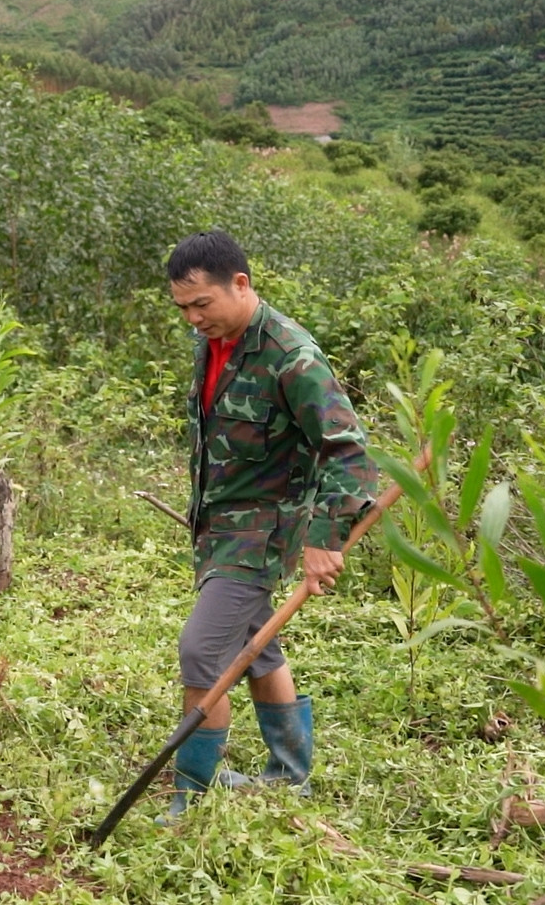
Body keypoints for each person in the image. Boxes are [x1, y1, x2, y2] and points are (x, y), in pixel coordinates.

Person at [162, 230, 376, 819]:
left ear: (241, 284)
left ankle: (190, 801)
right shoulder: (216, 341)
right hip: (218, 525)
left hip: (259, 536)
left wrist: (323, 540)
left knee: (203, 651)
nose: (192, 319)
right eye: (183, 308)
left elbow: (349, 453)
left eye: (201, 304)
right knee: (258, 647)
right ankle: (289, 776)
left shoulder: (290, 355)